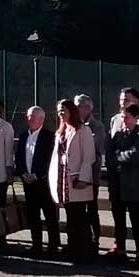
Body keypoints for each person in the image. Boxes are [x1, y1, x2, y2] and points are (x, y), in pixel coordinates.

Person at [48, 98, 97, 264]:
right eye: (59, 111)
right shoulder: (60, 131)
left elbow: (88, 156)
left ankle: (85, 251)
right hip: (64, 181)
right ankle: (73, 249)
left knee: (80, 218)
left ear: (71, 111)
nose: (61, 114)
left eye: (64, 110)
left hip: (77, 181)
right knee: (70, 217)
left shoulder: (83, 130)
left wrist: (83, 178)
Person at [105, 103, 139, 267]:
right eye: (122, 117)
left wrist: (118, 156)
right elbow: (109, 155)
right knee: (119, 217)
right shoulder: (118, 134)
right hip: (118, 184)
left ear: (136, 118)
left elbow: (134, 154)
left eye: (128, 117)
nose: (124, 120)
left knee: (137, 218)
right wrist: (117, 157)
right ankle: (121, 249)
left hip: (133, 184)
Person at [15, 106, 60, 258]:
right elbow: (19, 157)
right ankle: (36, 245)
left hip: (44, 183)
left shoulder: (49, 137)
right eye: (28, 116)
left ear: (41, 119)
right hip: (28, 183)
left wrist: (38, 175)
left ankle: (53, 247)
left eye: (32, 116)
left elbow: (50, 160)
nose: (29, 118)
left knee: (50, 216)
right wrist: (23, 173)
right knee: (33, 216)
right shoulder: (23, 137)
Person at [75, 94, 107, 249]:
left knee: (91, 209)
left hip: (90, 176)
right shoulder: (72, 125)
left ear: (88, 108)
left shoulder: (97, 126)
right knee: (78, 210)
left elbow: (94, 150)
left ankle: (95, 240)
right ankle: (80, 239)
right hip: (74, 175)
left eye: (79, 105)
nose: (76, 108)